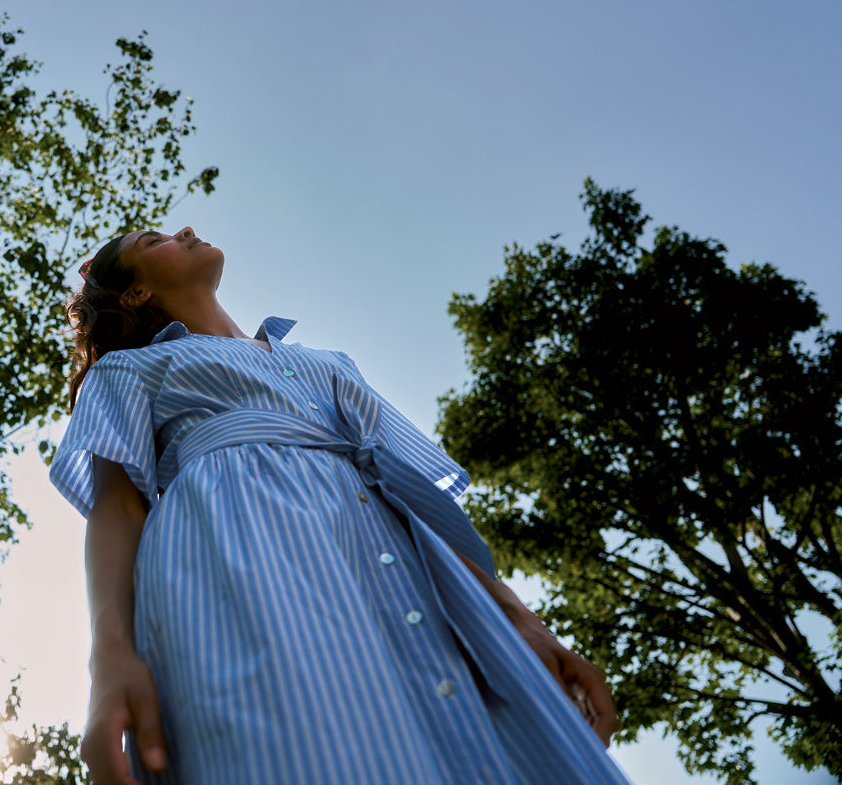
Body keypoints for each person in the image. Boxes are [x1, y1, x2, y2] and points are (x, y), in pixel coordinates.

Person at [48, 225, 631, 784]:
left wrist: (523, 621)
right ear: (136, 292)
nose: (183, 231)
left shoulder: (329, 363)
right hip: (240, 571)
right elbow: (118, 510)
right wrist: (111, 657)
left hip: (411, 566)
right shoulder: (130, 368)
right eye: (154, 241)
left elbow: (410, 494)